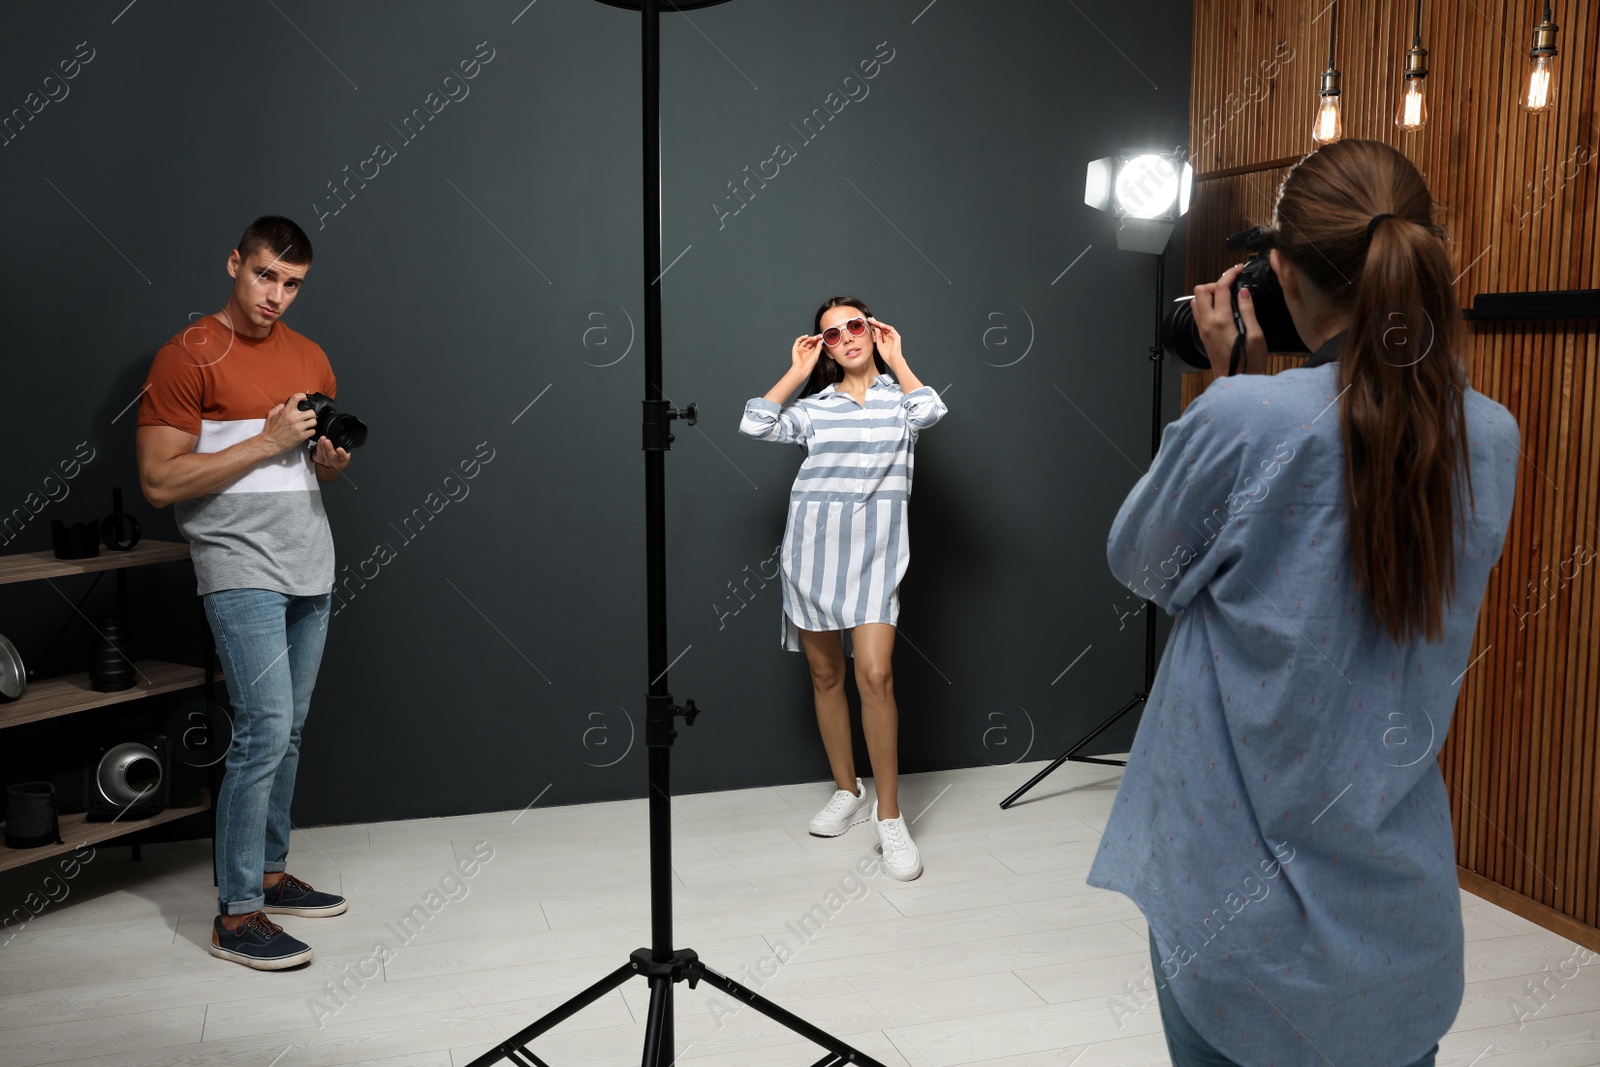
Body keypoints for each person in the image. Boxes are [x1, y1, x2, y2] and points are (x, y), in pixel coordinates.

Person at [1087, 139, 1520, 1067]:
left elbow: (1145, 562)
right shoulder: (1492, 437)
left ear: (1277, 271)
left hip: (1238, 932)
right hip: (1401, 934)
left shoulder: (1245, 418)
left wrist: (1226, 390)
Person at [136, 216, 353, 970]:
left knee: (288, 732)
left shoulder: (312, 356)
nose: (277, 296)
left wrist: (326, 461)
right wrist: (266, 438)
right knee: (262, 729)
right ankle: (236, 914)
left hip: (309, 562)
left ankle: (267, 870)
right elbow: (160, 481)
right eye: (265, 275)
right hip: (238, 564)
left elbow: (308, 473)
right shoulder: (186, 355)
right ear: (234, 262)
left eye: (292, 284)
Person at [739, 297, 946, 880]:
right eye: (831, 335)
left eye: (855, 326)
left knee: (875, 675)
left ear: (873, 330)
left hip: (878, 555)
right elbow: (755, 422)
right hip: (812, 552)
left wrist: (896, 357)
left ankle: (889, 816)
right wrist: (798, 372)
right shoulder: (817, 406)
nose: (846, 338)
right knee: (826, 675)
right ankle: (845, 790)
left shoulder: (901, 400)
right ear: (823, 347)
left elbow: (931, 412)